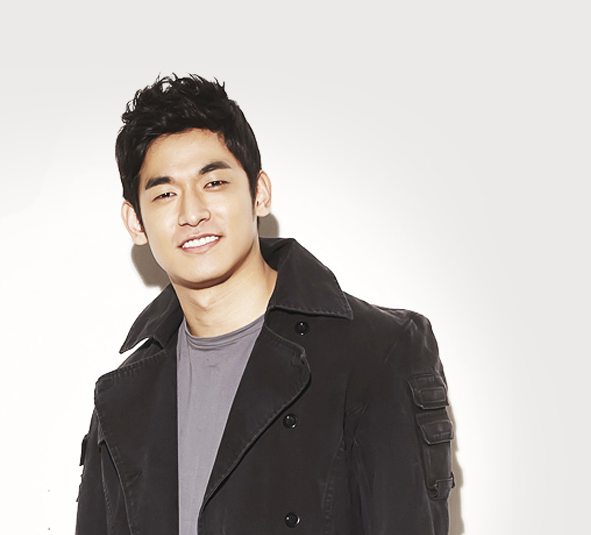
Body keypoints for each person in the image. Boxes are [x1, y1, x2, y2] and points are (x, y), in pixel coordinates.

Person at [75, 75, 454, 535]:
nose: (192, 213)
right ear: (136, 221)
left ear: (259, 193)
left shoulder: (378, 354)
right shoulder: (123, 396)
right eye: (165, 193)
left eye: (214, 182)